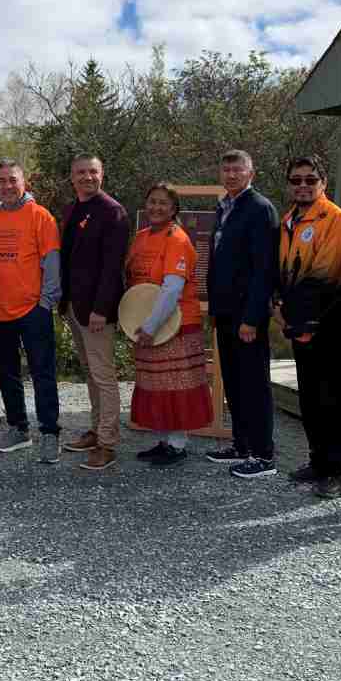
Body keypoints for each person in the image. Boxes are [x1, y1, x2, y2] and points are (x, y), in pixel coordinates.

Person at [274, 156, 341, 497]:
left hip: (327, 316)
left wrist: (303, 319)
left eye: (310, 180)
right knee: (309, 393)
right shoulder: (290, 218)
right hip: (298, 318)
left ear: (323, 182)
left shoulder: (334, 218)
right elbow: (282, 269)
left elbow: (325, 275)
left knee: (331, 394)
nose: (303, 186)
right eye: (296, 180)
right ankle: (318, 459)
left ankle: (336, 469)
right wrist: (279, 306)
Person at [205, 149, 280, 479]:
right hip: (225, 312)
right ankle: (241, 444)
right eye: (226, 169)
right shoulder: (225, 207)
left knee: (253, 383)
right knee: (234, 383)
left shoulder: (260, 209)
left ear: (252, 173)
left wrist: (252, 318)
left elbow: (264, 270)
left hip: (247, 316)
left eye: (238, 169)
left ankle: (263, 455)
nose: (231, 174)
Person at [0, 160, 62, 464]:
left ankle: (50, 432)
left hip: (32, 310)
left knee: (43, 373)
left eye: (12, 180)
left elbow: (52, 261)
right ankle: (19, 428)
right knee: (8, 374)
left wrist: (46, 301)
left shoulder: (40, 216)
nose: (7, 186)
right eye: (1, 180)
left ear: (23, 182)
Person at [126, 183, 213, 468]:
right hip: (148, 323)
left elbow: (172, 289)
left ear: (174, 209)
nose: (156, 208)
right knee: (156, 384)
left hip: (174, 323)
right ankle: (163, 441)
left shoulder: (177, 239)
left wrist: (151, 326)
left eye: (163, 203)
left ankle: (177, 445)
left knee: (176, 385)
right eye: (152, 202)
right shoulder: (141, 237)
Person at [59, 153, 129, 472]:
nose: (87, 177)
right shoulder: (74, 208)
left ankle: (108, 443)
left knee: (103, 375)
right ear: (72, 177)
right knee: (90, 373)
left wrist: (102, 309)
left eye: (92, 172)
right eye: (80, 173)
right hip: (75, 305)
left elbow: (113, 268)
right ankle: (97, 428)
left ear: (102, 174)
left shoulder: (111, 211)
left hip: (97, 311)